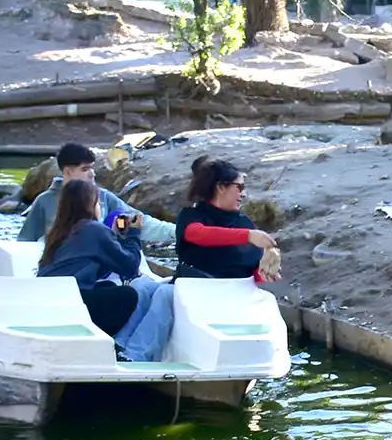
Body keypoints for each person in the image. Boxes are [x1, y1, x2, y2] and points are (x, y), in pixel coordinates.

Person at [36, 179, 175, 362]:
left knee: (110, 285)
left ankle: (120, 345)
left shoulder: (58, 231)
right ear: (89, 205)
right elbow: (130, 267)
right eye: (97, 203)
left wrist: (114, 237)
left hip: (53, 301)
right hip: (76, 304)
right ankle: (120, 347)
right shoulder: (92, 229)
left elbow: (98, 266)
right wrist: (132, 234)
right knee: (128, 294)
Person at [19, 142, 177, 245]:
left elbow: (139, 220)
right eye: (85, 169)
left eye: (92, 168)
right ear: (67, 171)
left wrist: (178, 231)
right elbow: (25, 243)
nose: (92, 174)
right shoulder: (44, 201)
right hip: (61, 274)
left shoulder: (104, 196)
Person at [175, 159, 282, 280]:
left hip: (232, 294)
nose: (244, 194)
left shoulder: (244, 223)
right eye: (239, 187)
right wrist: (248, 236)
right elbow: (198, 234)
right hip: (191, 291)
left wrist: (266, 272)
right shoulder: (191, 215)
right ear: (221, 187)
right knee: (163, 293)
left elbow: (251, 273)